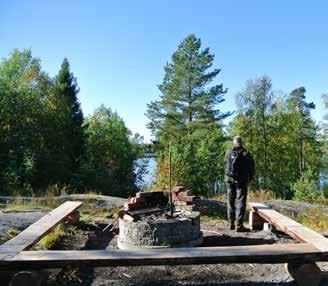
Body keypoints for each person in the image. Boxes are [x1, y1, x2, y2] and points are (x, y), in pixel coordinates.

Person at [224, 136, 255, 232]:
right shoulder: (246, 153)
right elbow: (251, 168)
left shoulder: (228, 152)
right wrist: (250, 178)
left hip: (229, 180)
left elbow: (225, 164)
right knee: (241, 201)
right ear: (242, 142)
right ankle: (239, 225)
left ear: (234, 142)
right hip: (241, 181)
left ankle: (230, 223)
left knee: (230, 201)